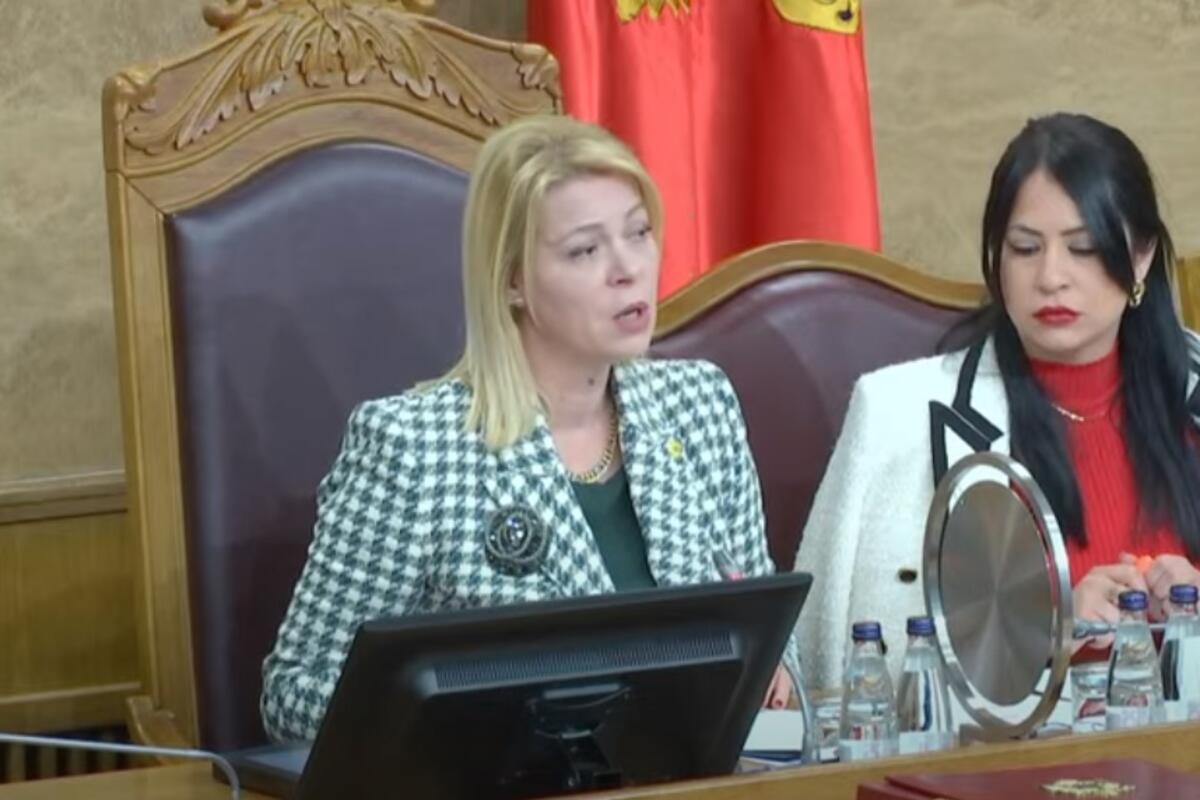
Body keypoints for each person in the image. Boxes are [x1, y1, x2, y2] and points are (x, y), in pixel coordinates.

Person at [261, 115, 792, 742]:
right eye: (585, 250)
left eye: (638, 232)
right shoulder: (413, 449)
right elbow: (292, 695)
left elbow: (763, 626)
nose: (628, 268)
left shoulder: (700, 404)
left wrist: (775, 668)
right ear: (512, 279)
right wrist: (475, 725)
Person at [795, 112, 1200, 690]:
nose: (1051, 276)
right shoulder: (896, 418)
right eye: (1025, 248)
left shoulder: (1190, 397)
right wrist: (1045, 631)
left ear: (1140, 257)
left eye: (1083, 248)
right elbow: (835, 670)